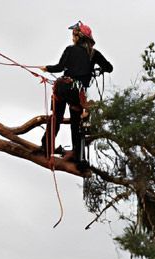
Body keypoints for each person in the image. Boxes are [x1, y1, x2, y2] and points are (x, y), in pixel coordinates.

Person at [37, 21, 113, 170]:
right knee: (76, 125)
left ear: (78, 36)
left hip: (63, 87)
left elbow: (59, 68)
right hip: (76, 92)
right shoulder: (94, 54)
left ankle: (45, 147)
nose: (72, 37)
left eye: (73, 35)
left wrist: (47, 68)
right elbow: (109, 67)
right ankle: (78, 158)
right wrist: (96, 70)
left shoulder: (70, 50)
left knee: (56, 118)